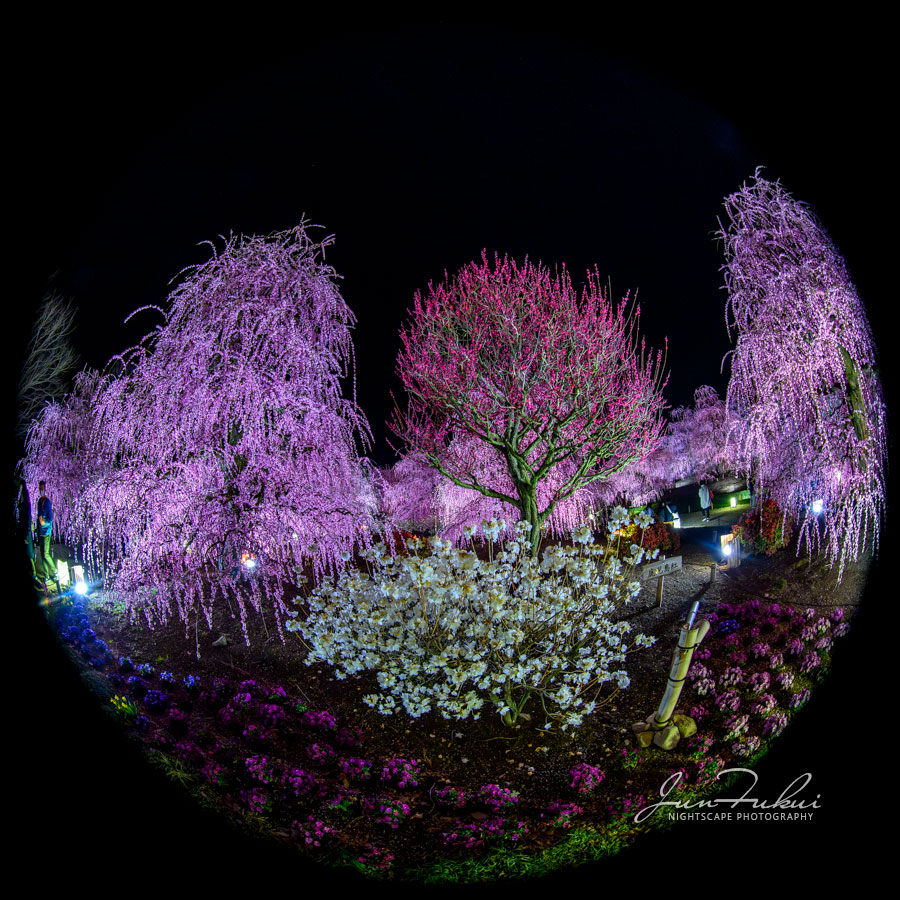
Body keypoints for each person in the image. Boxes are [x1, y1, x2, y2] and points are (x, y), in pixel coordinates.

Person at [15, 477, 39, 585]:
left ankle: (32, 575)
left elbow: (26, 518)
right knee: (27, 554)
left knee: (28, 554)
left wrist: (25, 533)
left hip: (25, 531)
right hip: (25, 530)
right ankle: (31, 575)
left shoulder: (25, 504)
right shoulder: (25, 501)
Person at [35, 480, 57, 585]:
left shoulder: (47, 502)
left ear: (45, 489)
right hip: (40, 531)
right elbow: (38, 516)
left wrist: (45, 524)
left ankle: (55, 571)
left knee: (46, 553)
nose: (41, 490)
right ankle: (46, 575)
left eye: (42, 488)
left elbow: (50, 519)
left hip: (46, 532)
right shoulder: (39, 501)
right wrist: (37, 527)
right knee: (42, 554)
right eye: (40, 488)